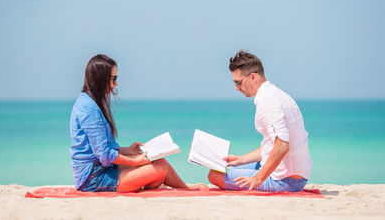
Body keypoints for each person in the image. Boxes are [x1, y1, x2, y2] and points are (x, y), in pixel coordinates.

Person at [70, 54, 199, 192]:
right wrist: (135, 161)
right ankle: (174, 187)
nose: (116, 84)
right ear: (101, 78)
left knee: (160, 162)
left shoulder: (92, 103)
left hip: (104, 168)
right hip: (93, 179)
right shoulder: (88, 108)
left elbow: (103, 149)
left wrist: (128, 150)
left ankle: (186, 189)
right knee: (159, 170)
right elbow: (104, 155)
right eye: (114, 79)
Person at [208, 50, 313, 192]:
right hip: (298, 175)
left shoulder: (267, 101)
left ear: (253, 77)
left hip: (286, 180)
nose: (236, 88)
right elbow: (272, 144)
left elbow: (282, 145)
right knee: (225, 167)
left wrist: (258, 179)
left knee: (214, 175)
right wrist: (241, 159)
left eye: (238, 83)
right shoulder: (278, 94)